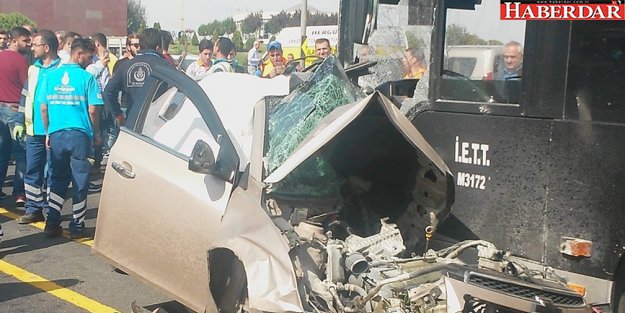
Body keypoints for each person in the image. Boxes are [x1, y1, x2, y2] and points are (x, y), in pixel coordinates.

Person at [40, 38, 103, 238]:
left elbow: (43, 107)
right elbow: (93, 110)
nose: (91, 59)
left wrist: (48, 131)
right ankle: (77, 224)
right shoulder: (87, 79)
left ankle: (52, 221)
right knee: (80, 181)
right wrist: (96, 134)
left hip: (57, 133)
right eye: (89, 55)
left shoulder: (50, 76)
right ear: (79, 53)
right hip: (80, 135)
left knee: (57, 178)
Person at [16, 30, 62, 224]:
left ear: (46, 47)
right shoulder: (33, 68)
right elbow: (25, 96)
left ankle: (51, 212)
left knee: (53, 172)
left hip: (53, 130)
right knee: (32, 170)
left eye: (35, 44)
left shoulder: (62, 69)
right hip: (33, 130)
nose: (31, 48)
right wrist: (19, 121)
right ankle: (33, 208)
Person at [103, 28, 170, 122]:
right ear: (158, 48)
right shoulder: (165, 65)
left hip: (132, 123)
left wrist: (118, 115)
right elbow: (177, 91)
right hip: (155, 124)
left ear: (141, 46)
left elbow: (108, 91)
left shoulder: (126, 65)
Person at [0, 26, 31, 205]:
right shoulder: (20, 61)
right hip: (14, 109)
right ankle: (20, 192)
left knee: (2, 152)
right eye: (25, 41)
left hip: (0, 109)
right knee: (21, 153)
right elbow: (26, 88)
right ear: (14, 40)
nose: (28, 45)